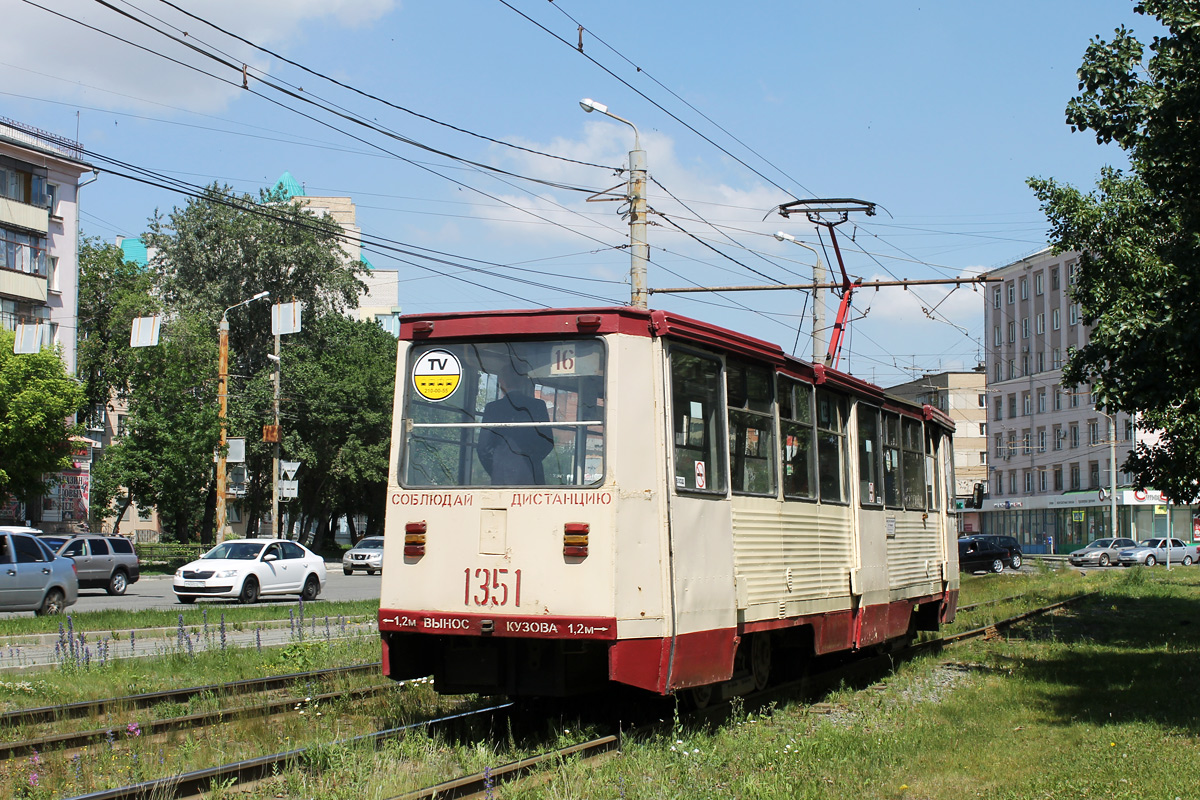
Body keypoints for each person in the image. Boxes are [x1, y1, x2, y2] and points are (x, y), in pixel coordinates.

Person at [478, 368, 553, 485]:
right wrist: (532, 461)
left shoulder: (493, 408)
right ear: (523, 382)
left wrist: (497, 468)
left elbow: (483, 448)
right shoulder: (538, 406)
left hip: (501, 477)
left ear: (501, 382)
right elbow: (547, 442)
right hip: (532, 476)